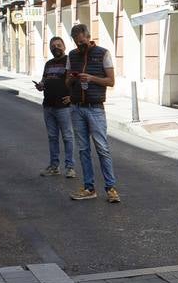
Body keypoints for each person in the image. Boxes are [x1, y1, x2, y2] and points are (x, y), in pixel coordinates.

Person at [66, 23, 120, 203]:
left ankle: (111, 188)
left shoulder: (103, 53)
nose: (79, 45)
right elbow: (66, 81)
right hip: (77, 107)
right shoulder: (72, 56)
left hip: (95, 107)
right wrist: (72, 79)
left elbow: (111, 81)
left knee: (102, 148)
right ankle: (89, 187)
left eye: (82, 41)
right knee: (83, 149)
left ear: (88, 37)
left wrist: (91, 78)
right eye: (76, 42)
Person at [34, 36, 75, 179]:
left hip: (64, 107)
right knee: (52, 137)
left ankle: (70, 167)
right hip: (48, 106)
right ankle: (54, 166)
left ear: (64, 46)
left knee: (67, 137)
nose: (56, 47)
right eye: (53, 46)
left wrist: (72, 97)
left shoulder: (70, 61)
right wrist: (40, 86)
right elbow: (44, 79)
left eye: (59, 45)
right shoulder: (48, 63)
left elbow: (75, 81)